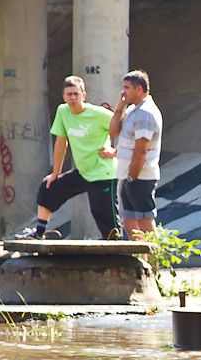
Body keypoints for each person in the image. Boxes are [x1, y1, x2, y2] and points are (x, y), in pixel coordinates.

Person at [15, 76, 119, 240]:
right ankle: (39, 233)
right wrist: (56, 173)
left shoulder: (98, 114)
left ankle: (119, 253)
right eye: (69, 94)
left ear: (83, 95)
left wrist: (115, 151)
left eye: (76, 94)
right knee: (48, 187)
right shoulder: (63, 111)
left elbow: (126, 126)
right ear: (63, 96)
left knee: (105, 221)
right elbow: (60, 144)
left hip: (102, 174)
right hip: (83, 172)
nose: (72, 98)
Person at [108, 70, 163, 241]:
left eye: (127, 88)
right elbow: (114, 132)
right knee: (130, 222)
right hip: (128, 175)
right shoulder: (133, 109)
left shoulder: (145, 113)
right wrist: (119, 108)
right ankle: (140, 261)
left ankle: (154, 264)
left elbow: (141, 150)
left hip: (140, 176)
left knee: (145, 222)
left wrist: (132, 176)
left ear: (139, 89)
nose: (123, 92)